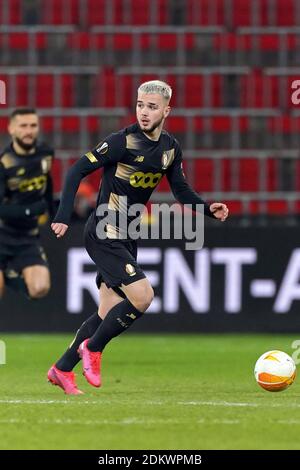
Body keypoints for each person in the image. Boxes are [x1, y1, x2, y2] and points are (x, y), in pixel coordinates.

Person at [48, 80, 229, 395]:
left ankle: (62, 369)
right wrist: (63, 216)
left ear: (166, 110)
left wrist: (207, 210)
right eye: (140, 105)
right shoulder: (122, 142)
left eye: (152, 107)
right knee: (143, 296)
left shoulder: (170, 148)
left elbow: (180, 190)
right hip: (104, 230)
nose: (144, 113)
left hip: (128, 233)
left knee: (107, 311)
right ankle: (93, 348)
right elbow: (76, 170)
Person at [0, 108, 54, 300]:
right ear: (11, 129)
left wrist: (54, 212)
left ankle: (7, 275)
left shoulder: (46, 154)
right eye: (23, 126)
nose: (29, 131)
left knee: (40, 288)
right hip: (2, 233)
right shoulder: (4, 163)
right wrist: (31, 210)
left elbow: (47, 185)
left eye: (33, 125)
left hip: (27, 236)